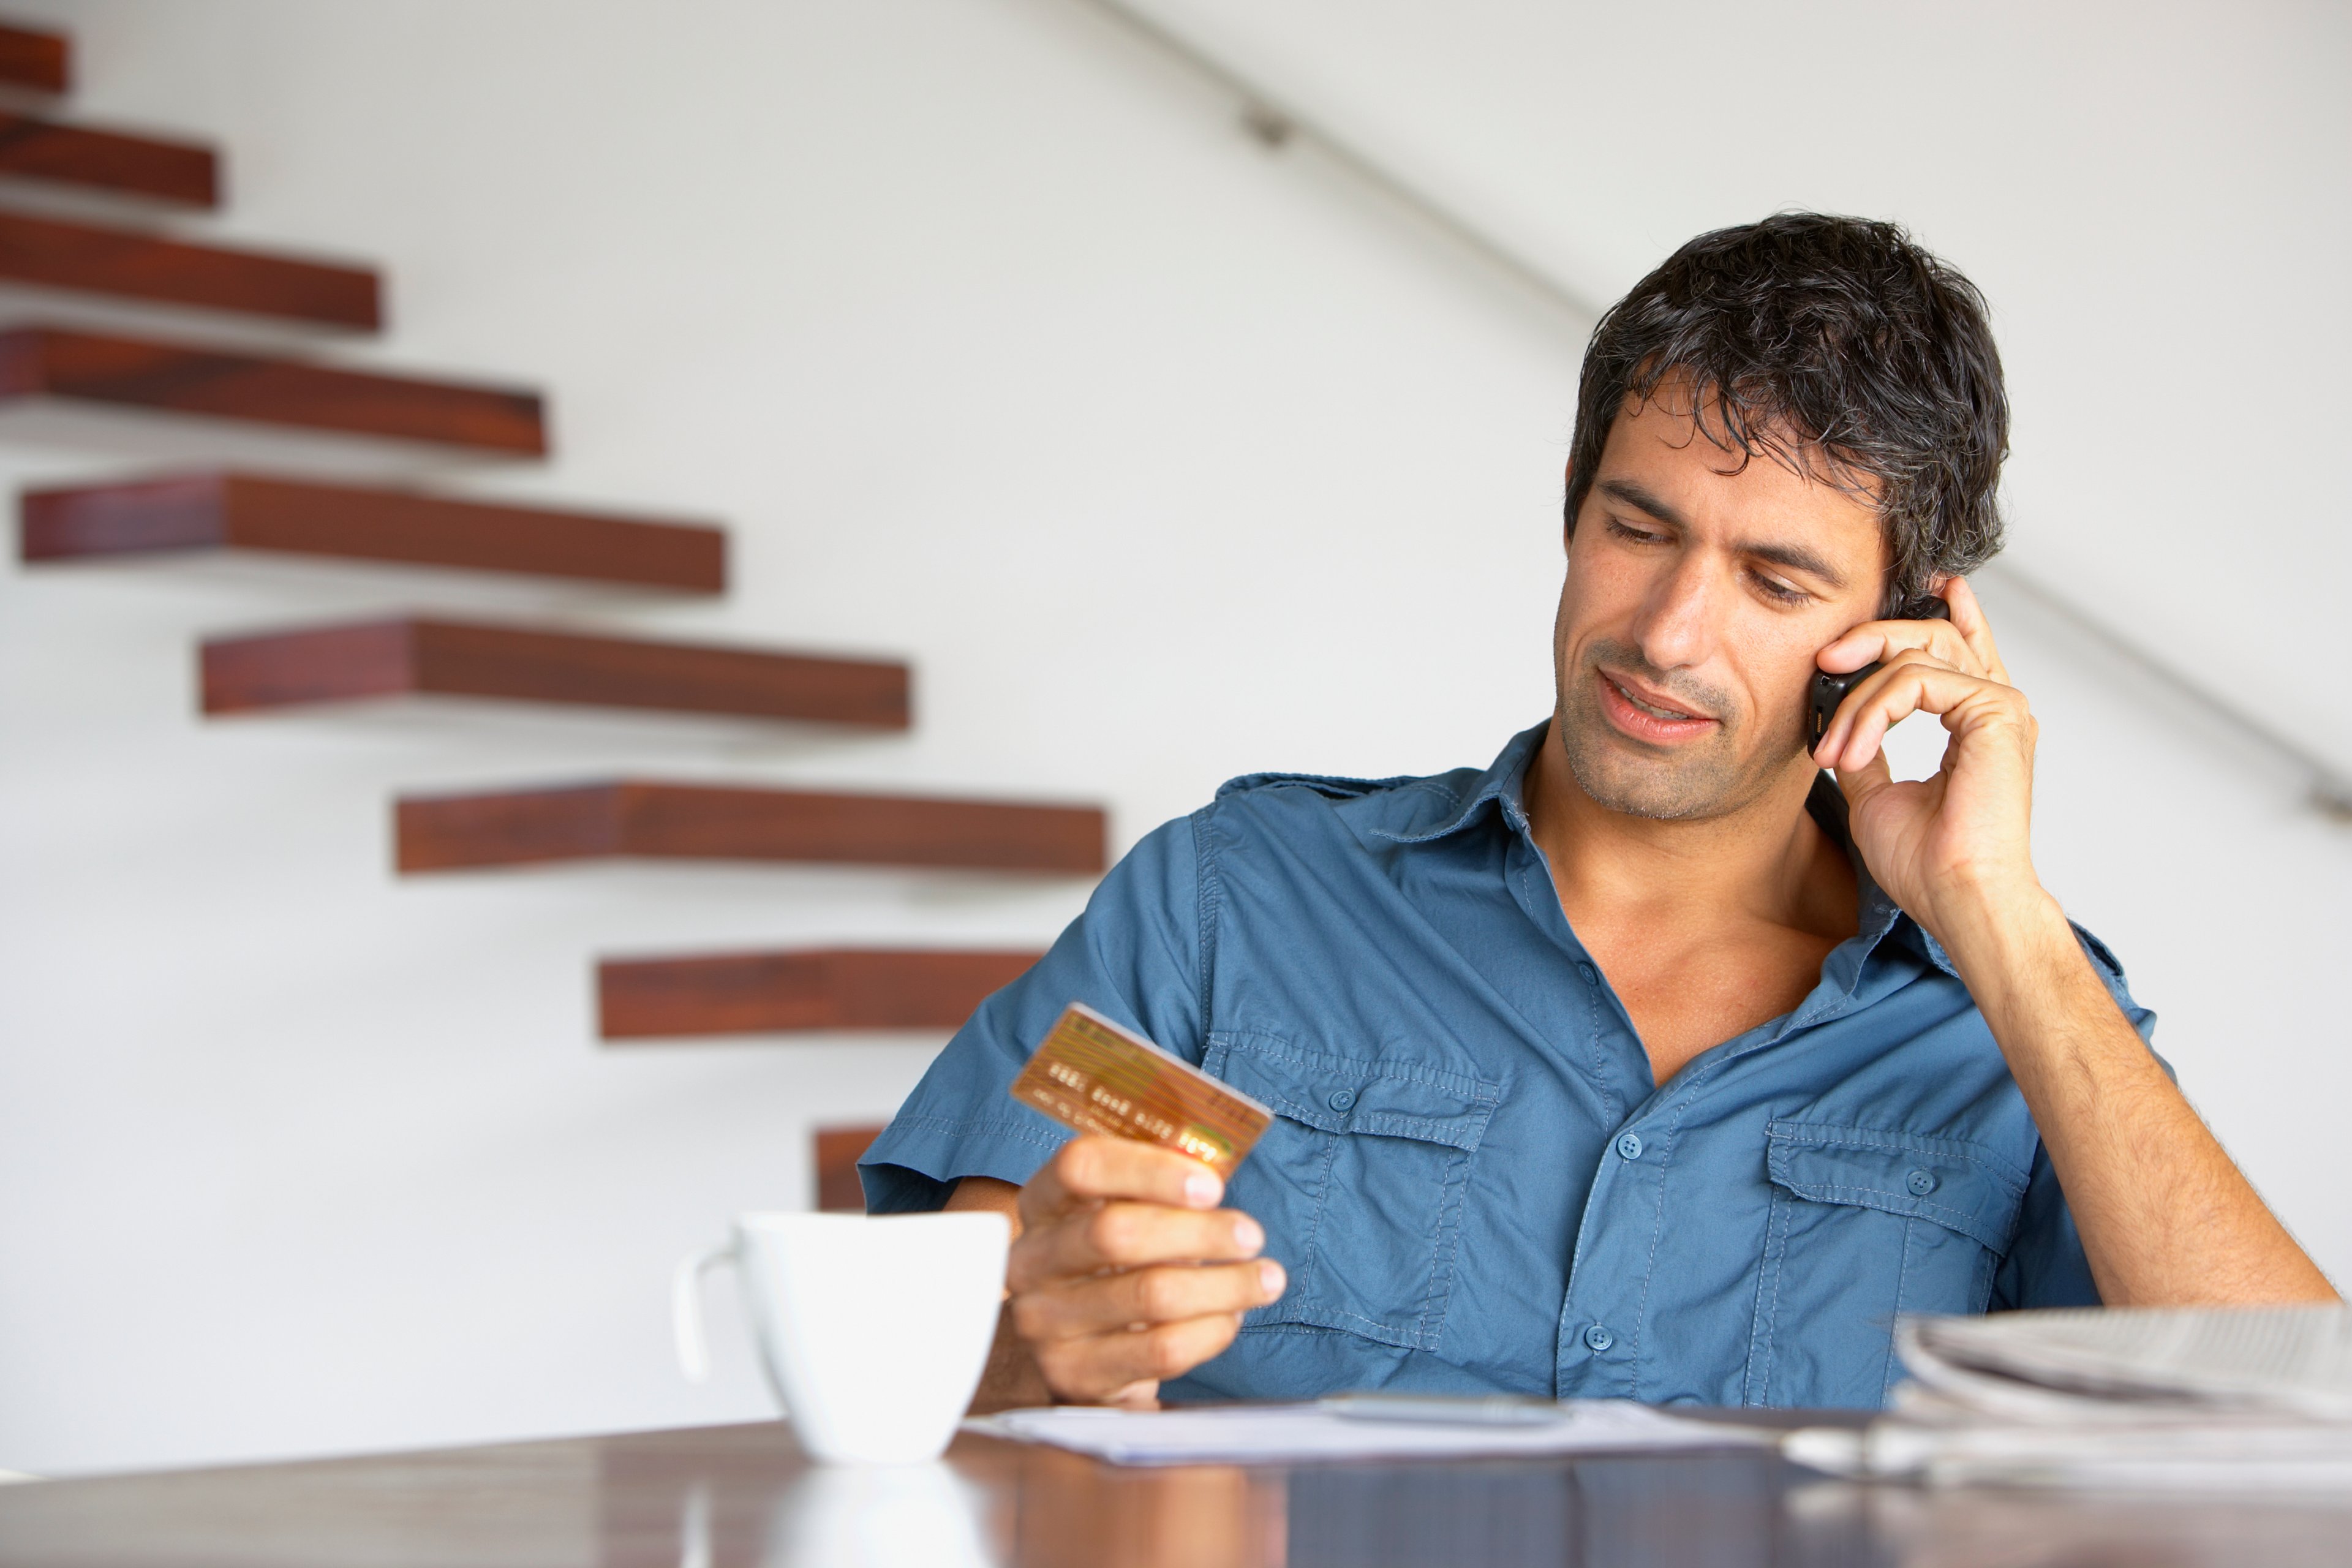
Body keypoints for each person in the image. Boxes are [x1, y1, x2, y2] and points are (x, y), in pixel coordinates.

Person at [860, 213, 2337, 1411]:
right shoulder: (1237, 908)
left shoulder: (2008, 1028)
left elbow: (2297, 1423)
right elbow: (919, 1372)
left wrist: (1996, 913)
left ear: (1902, 634)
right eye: (1638, 528)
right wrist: (1029, 1342)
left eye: (1775, 580)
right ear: (1572, 510)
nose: (1670, 631)